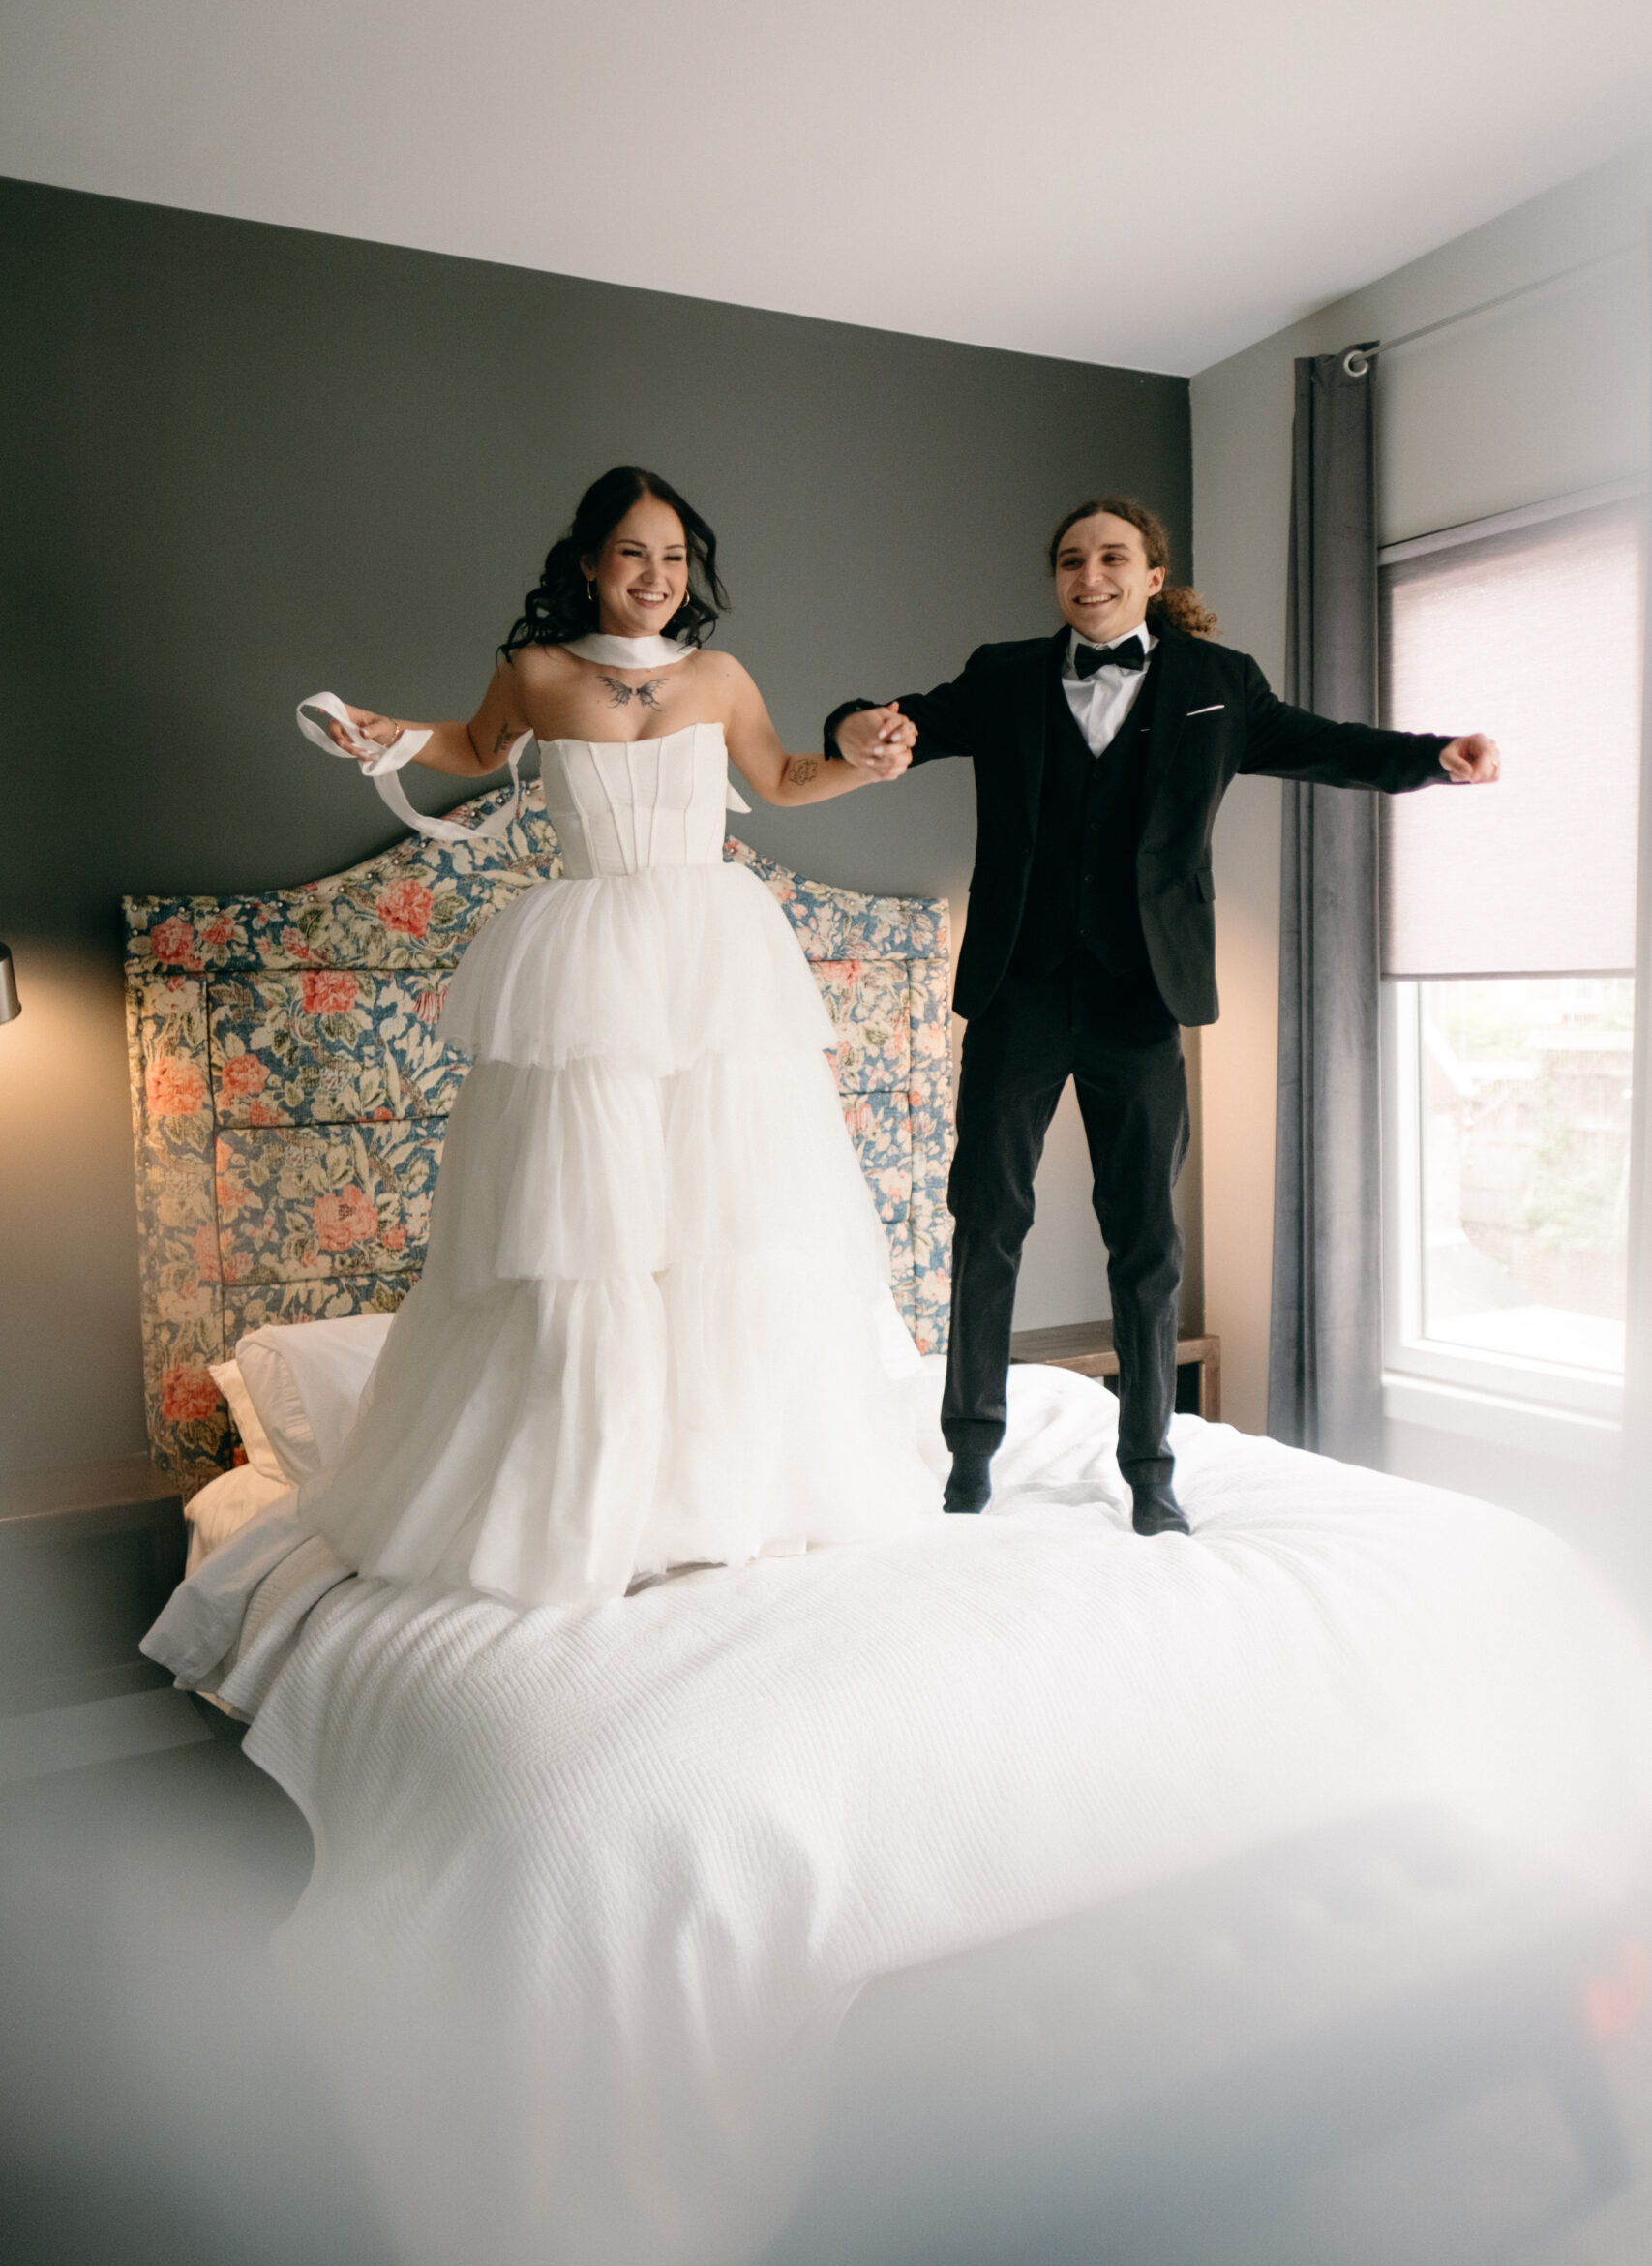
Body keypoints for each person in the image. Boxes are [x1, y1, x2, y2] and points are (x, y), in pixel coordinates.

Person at [301, 464, 938, 1610]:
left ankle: (729, 1487)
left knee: (724, 1220)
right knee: (590, 1230)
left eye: (677, 558)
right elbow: (473, 743)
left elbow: (785, 776)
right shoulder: (536, 672)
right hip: (588, 966)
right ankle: (593, 1487)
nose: (657, 577)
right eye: (635, 553)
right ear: (592, 561)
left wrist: (867, 763)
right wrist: (391, 736)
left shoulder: (719, 674)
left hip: (713, 958)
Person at [826, 497, 1499, 1536]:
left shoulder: (1219, 687)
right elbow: (899, 723)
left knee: (1145, 1237)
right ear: (1055, 578)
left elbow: (1327, 746)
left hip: (1144, 998)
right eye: (1069, 560)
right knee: (988, 1218)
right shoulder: (1003, 675)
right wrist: (857, 725)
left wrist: (1434, 755)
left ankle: (1149, 1466)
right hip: (1021, 988)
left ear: (1151, 574)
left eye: (1111, 558)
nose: (1088, 575)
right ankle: (972, 1449)